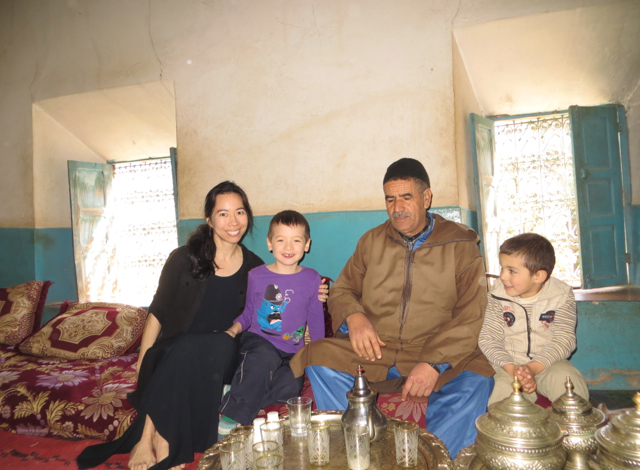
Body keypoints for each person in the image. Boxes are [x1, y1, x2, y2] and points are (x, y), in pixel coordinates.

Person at [78, 182, 328, 470]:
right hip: (177, 346)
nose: (233, 222)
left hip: (223, 352)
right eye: (223, 213)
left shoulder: (254, 267)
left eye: (240, 212)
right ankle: (149, 438)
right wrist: (144, 357)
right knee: (184, 350)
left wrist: (316, 296)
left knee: (221, 342)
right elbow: (158, 311)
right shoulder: (183, 258)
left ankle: (170, 434)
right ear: (209, 219)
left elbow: (272, 305)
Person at [291, 158, 494, 459]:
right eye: (390, 199)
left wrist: (434, 364)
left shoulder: (461, 245)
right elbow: (344, 289)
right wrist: (355, 318)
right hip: (377, 350)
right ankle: (359, 447)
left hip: (433, 349)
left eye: (407, 197)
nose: (397, 207)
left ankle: (437, 461)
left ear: (426, 198)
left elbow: (472, 313)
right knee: (318, 356)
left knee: (477, 378)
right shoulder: (371, 241)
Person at [218, 210, 325, 438]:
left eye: (296, 240)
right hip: (259, 341)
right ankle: (231, 417)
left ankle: (236, 390)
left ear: (306, 245)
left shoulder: (312, 278)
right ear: (270, 244)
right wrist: (233, 330)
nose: (288, 246)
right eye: (280, 240)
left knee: (290, 388)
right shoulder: (257, 275)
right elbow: (248, 312)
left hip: (292, 351)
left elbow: (315, 320)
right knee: (265, 358)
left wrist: (318, 353)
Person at [478, 233, 588, 405]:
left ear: (538, 276)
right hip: (509, 366)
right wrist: (513, 369)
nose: (503, 276)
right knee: (503, 400)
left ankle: (577, 429)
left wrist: (533, 368)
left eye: (511, 271)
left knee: (570, 384)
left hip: (548, 364)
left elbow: (564, 340)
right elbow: (488, 339)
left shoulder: (561, 295)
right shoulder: (496, 296)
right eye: (502, 268)